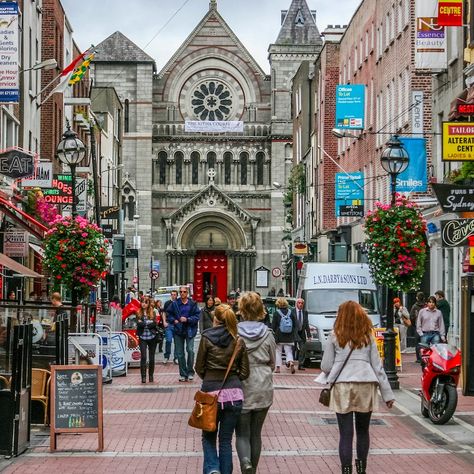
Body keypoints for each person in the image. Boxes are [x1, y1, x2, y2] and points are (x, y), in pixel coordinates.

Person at [321, 301, 395, 474]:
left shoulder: (335, 335)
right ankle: (361, 469)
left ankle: (346, 471)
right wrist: (388, 394)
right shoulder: (367, 336)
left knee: (345, 434)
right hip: (365, 383)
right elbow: (377, 366)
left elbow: (325, 365)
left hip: (343, 386)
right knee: (363, 431)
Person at [195, 304, 250, 474]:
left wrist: (210, 378)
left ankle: (212, 469)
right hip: (234, 395)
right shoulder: (239, 340)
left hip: (211, 392)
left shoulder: (206, 338)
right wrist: (234, 379)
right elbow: (245, 371)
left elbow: (199, 367)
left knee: (208, 437)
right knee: (226, 440)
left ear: (215, 319)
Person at [236, 292, 276, 474]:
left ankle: (245, 464)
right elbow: (273, 362)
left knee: (242, 432)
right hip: (262, 385)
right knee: (256, 433)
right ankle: (254, 468)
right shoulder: (268, 334)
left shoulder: (234, 333)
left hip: (241, 384)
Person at [166, 286, 200, 382]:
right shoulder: (175, 303)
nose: (182, 293)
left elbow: (197, 316)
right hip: (178, 330)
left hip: (190, 330)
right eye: (180, 292)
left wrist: (188, 319)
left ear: (187, 293)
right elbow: (168, 314)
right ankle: (183, 373)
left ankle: (190, 372)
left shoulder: (192, 304)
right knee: (180, 353)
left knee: (190, 350)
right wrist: (175, 321)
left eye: (184, 292)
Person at [136, 296, 159, 383]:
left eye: (146, 302)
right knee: (143, 357)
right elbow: (138, 324)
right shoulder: (138, 312)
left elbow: (154, 323)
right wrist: (147, 323)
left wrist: (144, 323)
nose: (144, 304)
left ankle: (151, 376)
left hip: (152, 337)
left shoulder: (153, 311)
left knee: (152, 358)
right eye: (142, 302)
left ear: (148, 303)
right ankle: (143, 377)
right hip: (142, 337)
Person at [271, 297, 297, 374]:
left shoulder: (276, 313)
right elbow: (295, 324)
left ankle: (278, 368)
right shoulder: (291, 312)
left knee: (278, 351)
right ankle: (290, 361)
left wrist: (274, 333)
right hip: (289, 335)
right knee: (288, 351)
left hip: (279, 336)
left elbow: (273, 326)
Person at [294, 298, 311, 370]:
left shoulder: (305, 312)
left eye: (301, 303)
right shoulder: (292, 311)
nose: (300, 304)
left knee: (302, 348)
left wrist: (309, 334)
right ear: (296, 304)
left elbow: (306, 324)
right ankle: (289, 361)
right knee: (292, 348)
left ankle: (300, 364)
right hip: (294, 332)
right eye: (299, 303)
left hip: (302, 333)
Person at [163, 290, 179, 365]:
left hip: (177, 325)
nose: (173, 296)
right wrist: (164, 322)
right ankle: (166, 356)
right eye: (172, 294)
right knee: (168, 340)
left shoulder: (179, 303)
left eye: (175, 294)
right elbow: (163, 313)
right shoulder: (167, 303)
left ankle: (176, 358)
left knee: (177, 342)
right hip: (169, 324)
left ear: (177, 295)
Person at [409, 292, 425, 363]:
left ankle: (418, 358)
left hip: (417, 326)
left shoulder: (414, 306)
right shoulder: (426, 306)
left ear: (417, 298)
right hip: (425, 326)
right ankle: (424, 357)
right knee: (425, 342)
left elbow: (411, 316)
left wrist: (414, 324)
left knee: (418, 343)